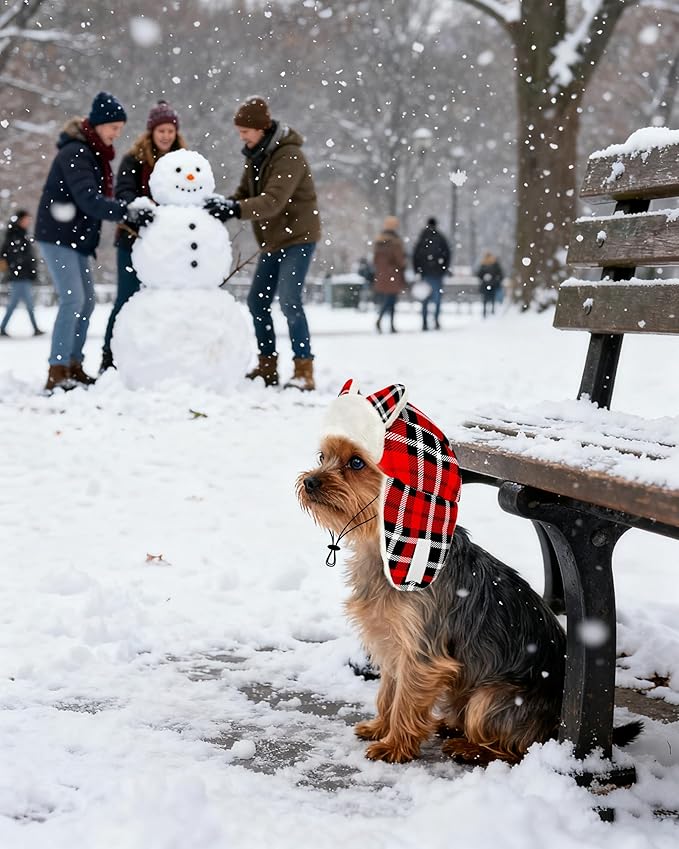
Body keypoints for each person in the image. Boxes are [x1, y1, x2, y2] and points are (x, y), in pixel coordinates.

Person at [205, 96, 321, 391]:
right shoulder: (257, 155)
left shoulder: (289, 155)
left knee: (290, 301)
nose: (241, 137)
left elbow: (273, 201)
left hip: (297, 237)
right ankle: (267, 366)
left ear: (262, 128)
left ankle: (304, 370)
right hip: (272, 240)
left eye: (245, 131)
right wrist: (220, 205)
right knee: (257, 302)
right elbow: (244, 193)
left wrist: (234, 209)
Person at [35, 91, 142, 392]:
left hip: (76, 238)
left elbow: (96, 201)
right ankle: (57, 370)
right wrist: (127, 211)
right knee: (73, 300)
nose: (116, 133)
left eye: (120, 128)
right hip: (58, 235)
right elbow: (89, 200)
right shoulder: (76, 153)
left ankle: (73, 364)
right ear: (98, 124)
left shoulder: (94, 154)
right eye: (113, 127)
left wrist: (123, 209)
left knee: (87, 301)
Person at [99, 100, 187, 373]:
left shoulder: (183, 161)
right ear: (151, 132)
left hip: (169, 245)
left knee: (165, 301)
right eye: (161, 131)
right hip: (133, 240)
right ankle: (109, 356)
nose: (166, 136)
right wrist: (140, 208)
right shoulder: (134, 159)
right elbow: (123, 192)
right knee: (126, 298)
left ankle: (161, 354)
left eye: (170, 131)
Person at [0, 210, 44, 337]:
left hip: (21, 274)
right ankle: (34, 328)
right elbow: (12, 255)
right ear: (20, 220)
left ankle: (4, 327)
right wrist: (22, 268)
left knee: (17, 304)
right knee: (23, 304)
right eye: (26, 219)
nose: (28, 222)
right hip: (19, 275)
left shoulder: (20, 234)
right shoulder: (15, 235)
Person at [412, 217, 450, 331]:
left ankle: (424, 322)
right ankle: (436, 320)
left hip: (424, 273)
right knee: (437, 298)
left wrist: (417, 270)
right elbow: (447, 254)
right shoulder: (440, 238)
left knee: (425, 298)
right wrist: (443, 269)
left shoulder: (422, 237)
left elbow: (416, 256)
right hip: (437, 273)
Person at [373, 215, 407, 334]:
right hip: (393, 274)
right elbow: (400, 260)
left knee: (388, 299)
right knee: (391, 300)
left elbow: (375, 260)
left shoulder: (379, 242)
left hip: (382, 275)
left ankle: (387, 322)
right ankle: (386, 322)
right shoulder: (395, 242)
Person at [475, 250, 505, 318]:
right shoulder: (484, 265)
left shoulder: (494, 265)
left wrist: (494, 280)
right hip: (486, 285)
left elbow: (500, 275)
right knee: (486, 299)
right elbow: (479, 275)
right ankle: (486, 312)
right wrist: (485, 278)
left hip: (492, 285)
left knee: (491, 299)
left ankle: (491, 312)